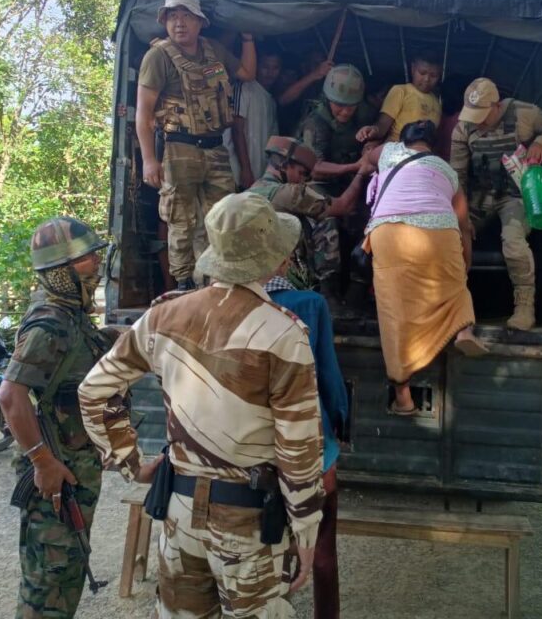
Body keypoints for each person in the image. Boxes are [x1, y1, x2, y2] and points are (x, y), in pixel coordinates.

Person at [79, 192, 325, 619]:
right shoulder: (284, 334)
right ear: (273, 258)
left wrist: (130, 463)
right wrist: (306, 530)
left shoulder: (162, 316)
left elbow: (94, 390)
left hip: (178, 510)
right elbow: (298, 448)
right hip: (248, 521)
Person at [0, 216, 113, 619]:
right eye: (86, 258)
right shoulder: (50, 323)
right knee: (50, 578)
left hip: (73, 464)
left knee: (68, 569)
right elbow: (11, 396)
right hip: (57, 468)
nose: (96, 263)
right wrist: (43, 461)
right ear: (61, 271)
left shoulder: (70, 314)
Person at [135, 0, 257, 291]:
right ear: (164, 21)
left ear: (200, 22)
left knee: (221, 219)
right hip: (179, 147)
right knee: (181, 221)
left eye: (186, 16)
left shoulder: (213, 50)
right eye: (172, 16)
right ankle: (184, 284)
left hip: (215, 147)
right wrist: (149, 160)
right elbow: (144, 112)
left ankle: (215, 281)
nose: (179, 23)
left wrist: (248, 37)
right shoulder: (158, 57)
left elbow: (247, 73)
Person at [363, 120, 488, 414]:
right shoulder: (447, 171)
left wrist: (368, 153)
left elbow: (368, 157)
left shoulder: (389, 151)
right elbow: (464, 226)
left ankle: (403, 397)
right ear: (433, 145)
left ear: (403, 140)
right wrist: (464, 267)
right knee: (455, 289)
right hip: (439, 230)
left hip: (390, 230)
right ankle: (464, 331)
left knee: (394, 311)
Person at [264, 261, 348, 619]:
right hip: (309, 440)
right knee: (322, 550)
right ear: (284, 260)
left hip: (250, 444)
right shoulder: (310, 304)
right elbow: (327, 374)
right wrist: (339, 418)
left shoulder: (220, 302)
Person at [449, 77, 542, 331]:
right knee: (448, 236)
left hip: (516, 195)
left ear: (497, 106)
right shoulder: (463, 129)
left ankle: (524, 307)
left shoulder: (524, 113)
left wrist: (541, 142)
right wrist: (462, 219)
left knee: (513, 242)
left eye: (482, 114)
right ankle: (448, 304)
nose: (477, 121)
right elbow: (458, 177)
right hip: (480, 197)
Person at [249, 136, 373, 297]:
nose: (303, 180)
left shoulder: (252, 190)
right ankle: (329, 295)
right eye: (301, 173)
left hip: (255, 271)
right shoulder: (290, 193)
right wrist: (361, 173)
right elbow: (344, 206)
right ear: (284, 165)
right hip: (284, 272)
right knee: (327, 221)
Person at [299, 64, 369, 196]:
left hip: (346, 182)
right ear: (328, 99)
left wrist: (370, 145)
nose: (346, 112)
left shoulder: (362, 114)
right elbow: (315, 169)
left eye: (351, 105)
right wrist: (355, 167)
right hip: (318, 185)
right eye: (339, 105)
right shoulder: (315, 123)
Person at [356, 50, 443, 144]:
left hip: (424, 151)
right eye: (422, 73)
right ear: (413, 69)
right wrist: (373, 130)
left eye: (433, 75)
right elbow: (382, 125)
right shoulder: (401, 91)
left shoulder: (437, 102)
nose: (427, 79)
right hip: (396, 147)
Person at [226, 47, 282, 190]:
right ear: (256, 66)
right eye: (265, 67)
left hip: (259, 176)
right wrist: (246, 169)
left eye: (275, 68)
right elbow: (237, 129)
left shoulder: (271, 100)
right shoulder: (245, 88)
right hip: (240, 174)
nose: (270, 73)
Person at [278, 50, 331, 136]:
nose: (320, 68)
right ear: (304, 66)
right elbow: (283, 99)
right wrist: (316, 74)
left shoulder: (324, 88)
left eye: (321, 64)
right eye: (316, 64)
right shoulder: (293, 85)